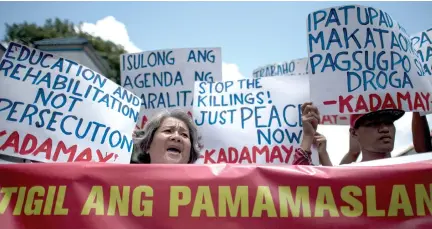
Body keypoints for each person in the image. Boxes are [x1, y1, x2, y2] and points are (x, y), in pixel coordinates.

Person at [131, 109, 201, 164]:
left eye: (184, 134)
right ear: (148, 144)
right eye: (168, 131)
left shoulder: (205, 182)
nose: (177, 137)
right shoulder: (125, 181)